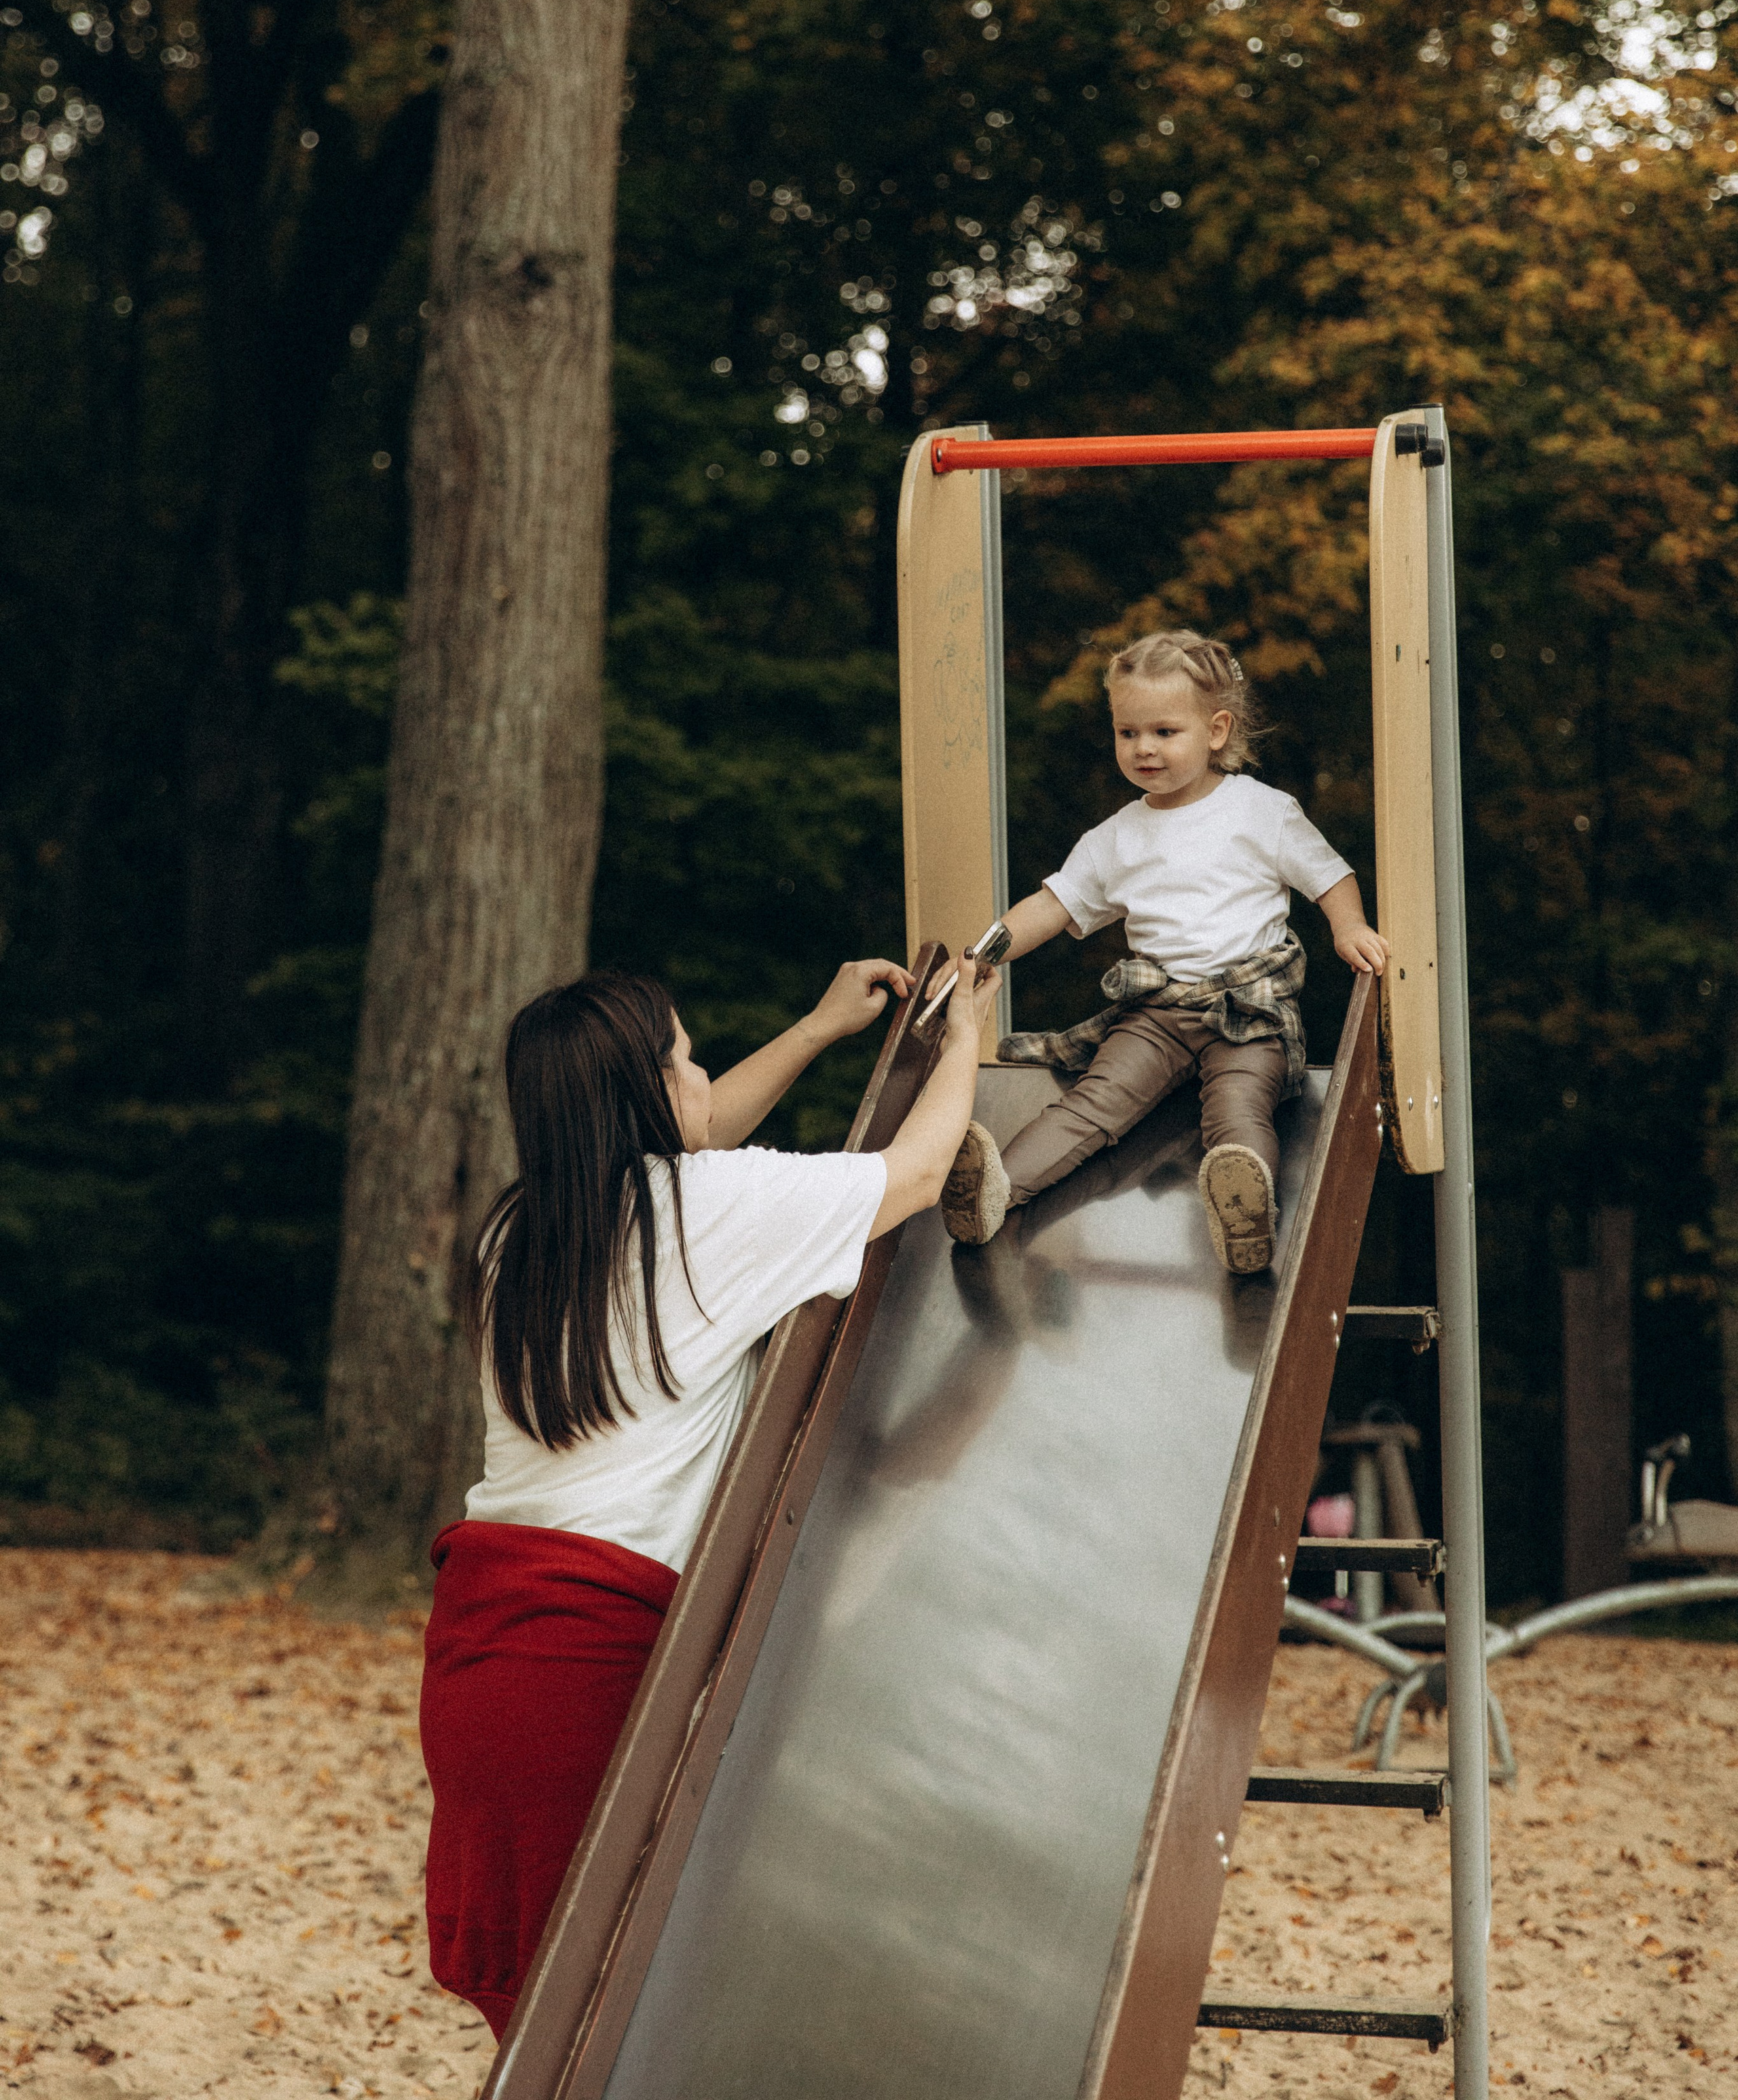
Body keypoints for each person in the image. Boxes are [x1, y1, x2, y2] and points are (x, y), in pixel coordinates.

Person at [418, 945, 1002, 2039]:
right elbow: (917, 1173)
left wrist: (821, 1028)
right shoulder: (701, 1213)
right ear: (644, 1092)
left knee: (549, 2027)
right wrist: (964, 1038)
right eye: (685, 1060)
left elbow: (696, 1135)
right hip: (591, 1669)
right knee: (611, 2022)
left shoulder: (520, 1234)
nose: (700, 1079)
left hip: (483, 1664)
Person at [939, 628, 1387, 1273]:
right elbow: (1051, 905)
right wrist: (985, 953)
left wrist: (1348, 928)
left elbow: (1328, 875)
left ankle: (1247, 1214)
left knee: (1238, 1106)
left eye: (1164, 732)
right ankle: (996, 1190)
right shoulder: (1115, 837)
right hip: (1156, 1014)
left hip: (1246, 1014)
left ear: (1215, 730)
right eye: (1128, 733)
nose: (1144, 748)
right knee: (1097, 1100)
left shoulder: (1262, 812)